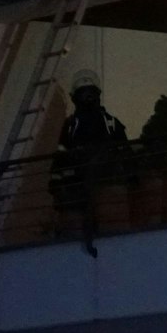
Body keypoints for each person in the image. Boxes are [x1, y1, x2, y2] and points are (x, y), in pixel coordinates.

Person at [53, 72, 129, 235]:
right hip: (80, 186)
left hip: (104, 184)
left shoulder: (109, 123)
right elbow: (61, 157)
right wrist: (57, 183)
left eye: (90, 93)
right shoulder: (72, 126)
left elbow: (126, 154)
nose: (87, 97)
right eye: (84, 93)